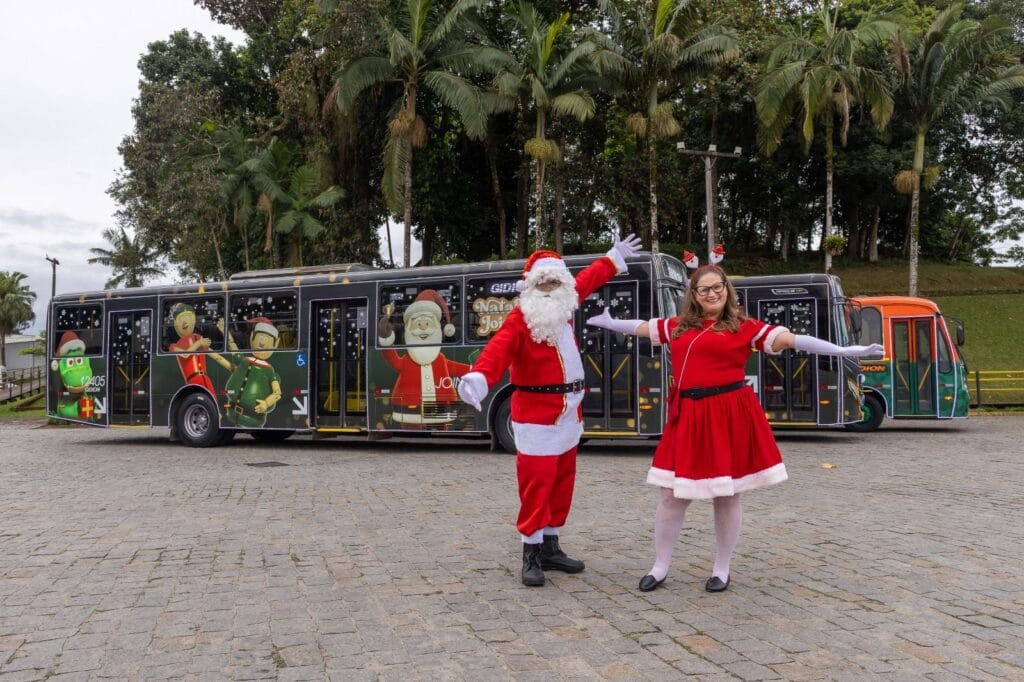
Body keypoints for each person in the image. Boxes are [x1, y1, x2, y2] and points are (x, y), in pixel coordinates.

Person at [586, 260, 882, 593]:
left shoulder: (746, 327)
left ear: (727, 290)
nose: (711, 294)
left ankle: (721, 569)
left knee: (725, 495)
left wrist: (842, 350)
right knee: (670, 496)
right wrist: (611, 323)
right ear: (694, 295)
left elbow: (793, 340)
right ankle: (660, 565)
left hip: (726, 414)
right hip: (687, 415)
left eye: (717, 287)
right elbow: (641, 327)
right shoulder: (679, 326)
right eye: (704, 289)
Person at [457, 234, 642, 587]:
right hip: (536, 417)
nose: (550, 287)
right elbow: (497, 351)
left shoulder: (565, 305)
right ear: (529, 286)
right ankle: (530, 551)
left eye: (555, 281)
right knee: (536, 486)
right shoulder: (520, 320)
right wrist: (480, 376)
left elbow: (587, 278)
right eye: (543, 282)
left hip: (569, 414)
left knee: (562, 483)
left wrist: (613, 256)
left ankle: (551, 547)